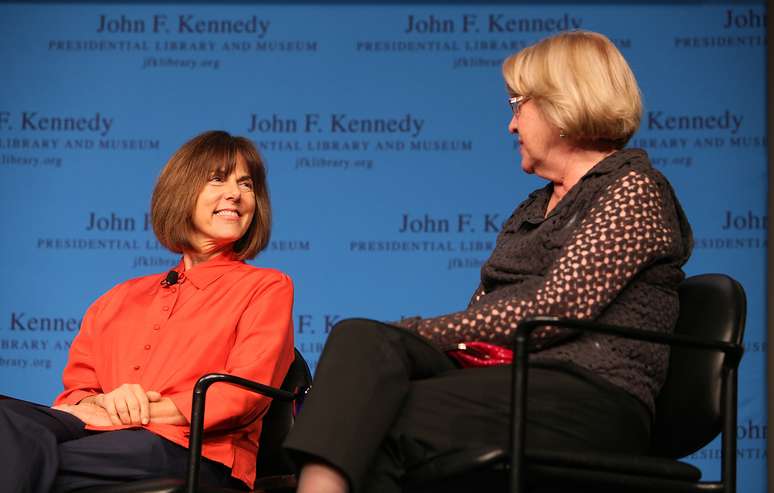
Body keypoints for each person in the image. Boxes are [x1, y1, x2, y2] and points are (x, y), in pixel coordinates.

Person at [283, 30, 693, 493]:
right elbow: (483, 314)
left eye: (519, 105)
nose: (511, 125)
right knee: (360, 338)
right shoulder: (531, 209)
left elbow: (557, 309)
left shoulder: (632, 188)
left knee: (372, 420)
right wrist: (412, 337)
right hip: (506, 380)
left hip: (589, 394)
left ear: (564, 104)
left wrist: (419, 331)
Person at [0, 130, 295, 492]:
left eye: (246, 184)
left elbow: (242, 397)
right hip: (101, 437)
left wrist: (133, 411)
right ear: (181, 191)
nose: (235, 193)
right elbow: (76, 395)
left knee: (25, 458)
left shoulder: (266, 287)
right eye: (218, 179)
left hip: (192, 453)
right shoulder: (117, 299)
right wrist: (104, 401)